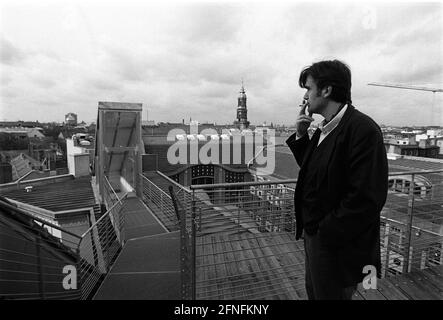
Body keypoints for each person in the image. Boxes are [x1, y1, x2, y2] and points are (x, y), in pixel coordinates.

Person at [286, 59, 388, 300]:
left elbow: (367, 198)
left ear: (327, 90)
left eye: (308, 89)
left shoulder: (363, 130)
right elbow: (317, 173)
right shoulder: (325, 128)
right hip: (316, 236)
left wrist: (325, 233)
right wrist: (301, 137)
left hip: (336, 244)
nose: (305, 98)